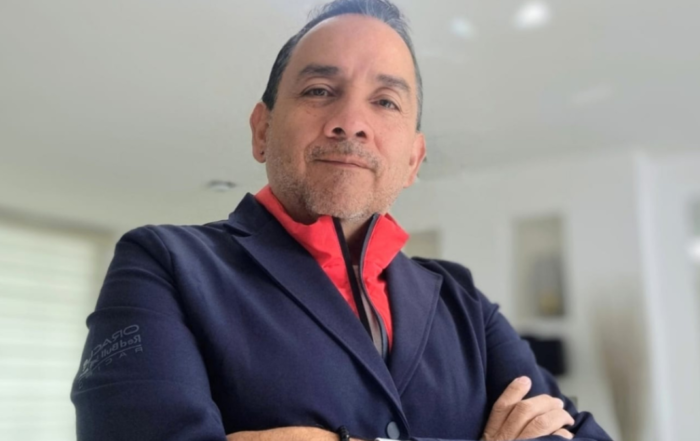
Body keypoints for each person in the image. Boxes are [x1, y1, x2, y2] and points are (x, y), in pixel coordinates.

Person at [70, 1, 613, 440]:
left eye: (386, 102)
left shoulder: (463, 302)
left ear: (413, 160)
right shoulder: (163, 265)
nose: (350, 122)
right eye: (319, 91)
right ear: (262, 131)